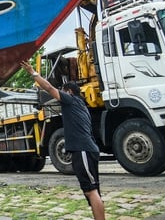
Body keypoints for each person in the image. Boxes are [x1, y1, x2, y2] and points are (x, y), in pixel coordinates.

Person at [20, 61, 105, 220]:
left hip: (83, 150)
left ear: (69, 92)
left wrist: (33, 73)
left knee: (91, 191)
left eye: (63, 91)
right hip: (88, 150)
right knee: (91, 191)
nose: (60, 95)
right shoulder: (82, 106)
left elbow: (50, 89)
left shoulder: (70, 100)